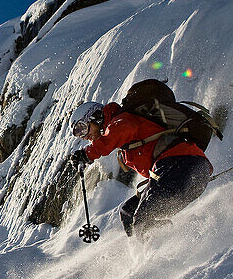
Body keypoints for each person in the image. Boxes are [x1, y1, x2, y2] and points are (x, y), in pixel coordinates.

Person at [68, 80, 214, 240]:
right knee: (129, 212)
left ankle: (162, 253)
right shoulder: (121, 139)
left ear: (95, 117)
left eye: (83, 128)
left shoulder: (121, 121)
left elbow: (117, 133)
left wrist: (87, 154)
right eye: (79, 134)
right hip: (185, 174)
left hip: (181, 165)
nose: (85, 136)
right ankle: (149, 249)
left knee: (143, 217)